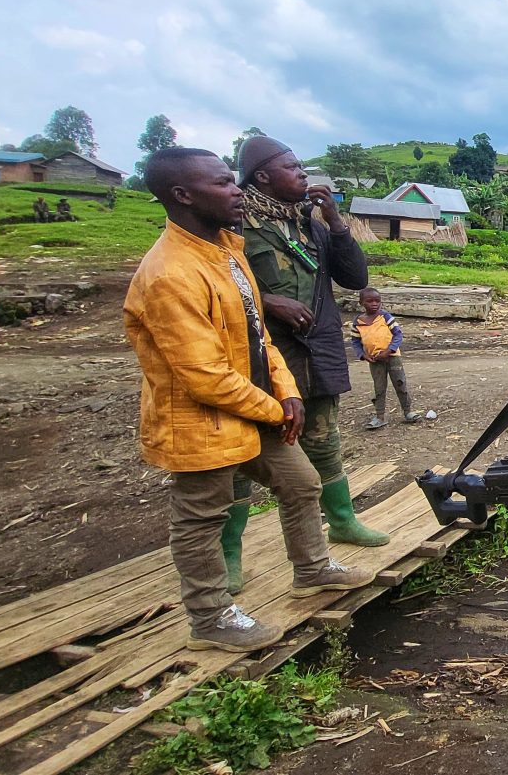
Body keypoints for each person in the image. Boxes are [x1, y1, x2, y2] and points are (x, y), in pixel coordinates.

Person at [124, 148, 373, 651]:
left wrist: (285, 390)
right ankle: (210, 618)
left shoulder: (228, 252)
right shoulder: (170, 274)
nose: (236, 190)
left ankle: (313, 568)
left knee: (302, 483)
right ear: (183, 196)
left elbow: (257, 335)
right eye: (222, 184)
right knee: (201, 517)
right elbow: (204, 376)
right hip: (204, 420)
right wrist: (273, 406)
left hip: (255, 405)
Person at [222, 135, 380, 598]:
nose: (304, 175)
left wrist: (335, 222)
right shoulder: (233, 225)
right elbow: (214, 285)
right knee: (239, 454)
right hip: (260, 355)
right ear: (264, 176)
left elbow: (356, 278)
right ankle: (230, 552)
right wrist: (267, 301)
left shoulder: (309, 224)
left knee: (324, 442)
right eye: (293, 168)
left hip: (315, 351)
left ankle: (344, 522)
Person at [350, 288, 422, 430]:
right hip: (375, 360)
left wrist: (389, 350)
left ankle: (408, 411)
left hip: (392, 357)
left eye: (377, 301)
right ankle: (380, 416)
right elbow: (355, 341)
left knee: (400, 383)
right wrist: (363, 355)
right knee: (379, 388)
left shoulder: (385, 317)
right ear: (361, 303)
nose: (374, 304)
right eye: (369, 301)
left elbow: (398, 335)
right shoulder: (358, 322)